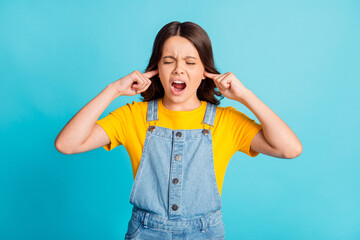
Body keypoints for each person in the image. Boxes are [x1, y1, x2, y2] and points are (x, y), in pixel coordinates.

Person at [55, 21, 302, 240]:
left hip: (206, 233)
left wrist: (245, 96)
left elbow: (290, 149)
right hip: (145, 232)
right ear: (156, 69)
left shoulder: (226, 121)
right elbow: (66, 144)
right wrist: (113, 90)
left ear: (206, 71)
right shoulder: (133, 116)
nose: (178, 69)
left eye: (190, 62)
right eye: (168, 61)